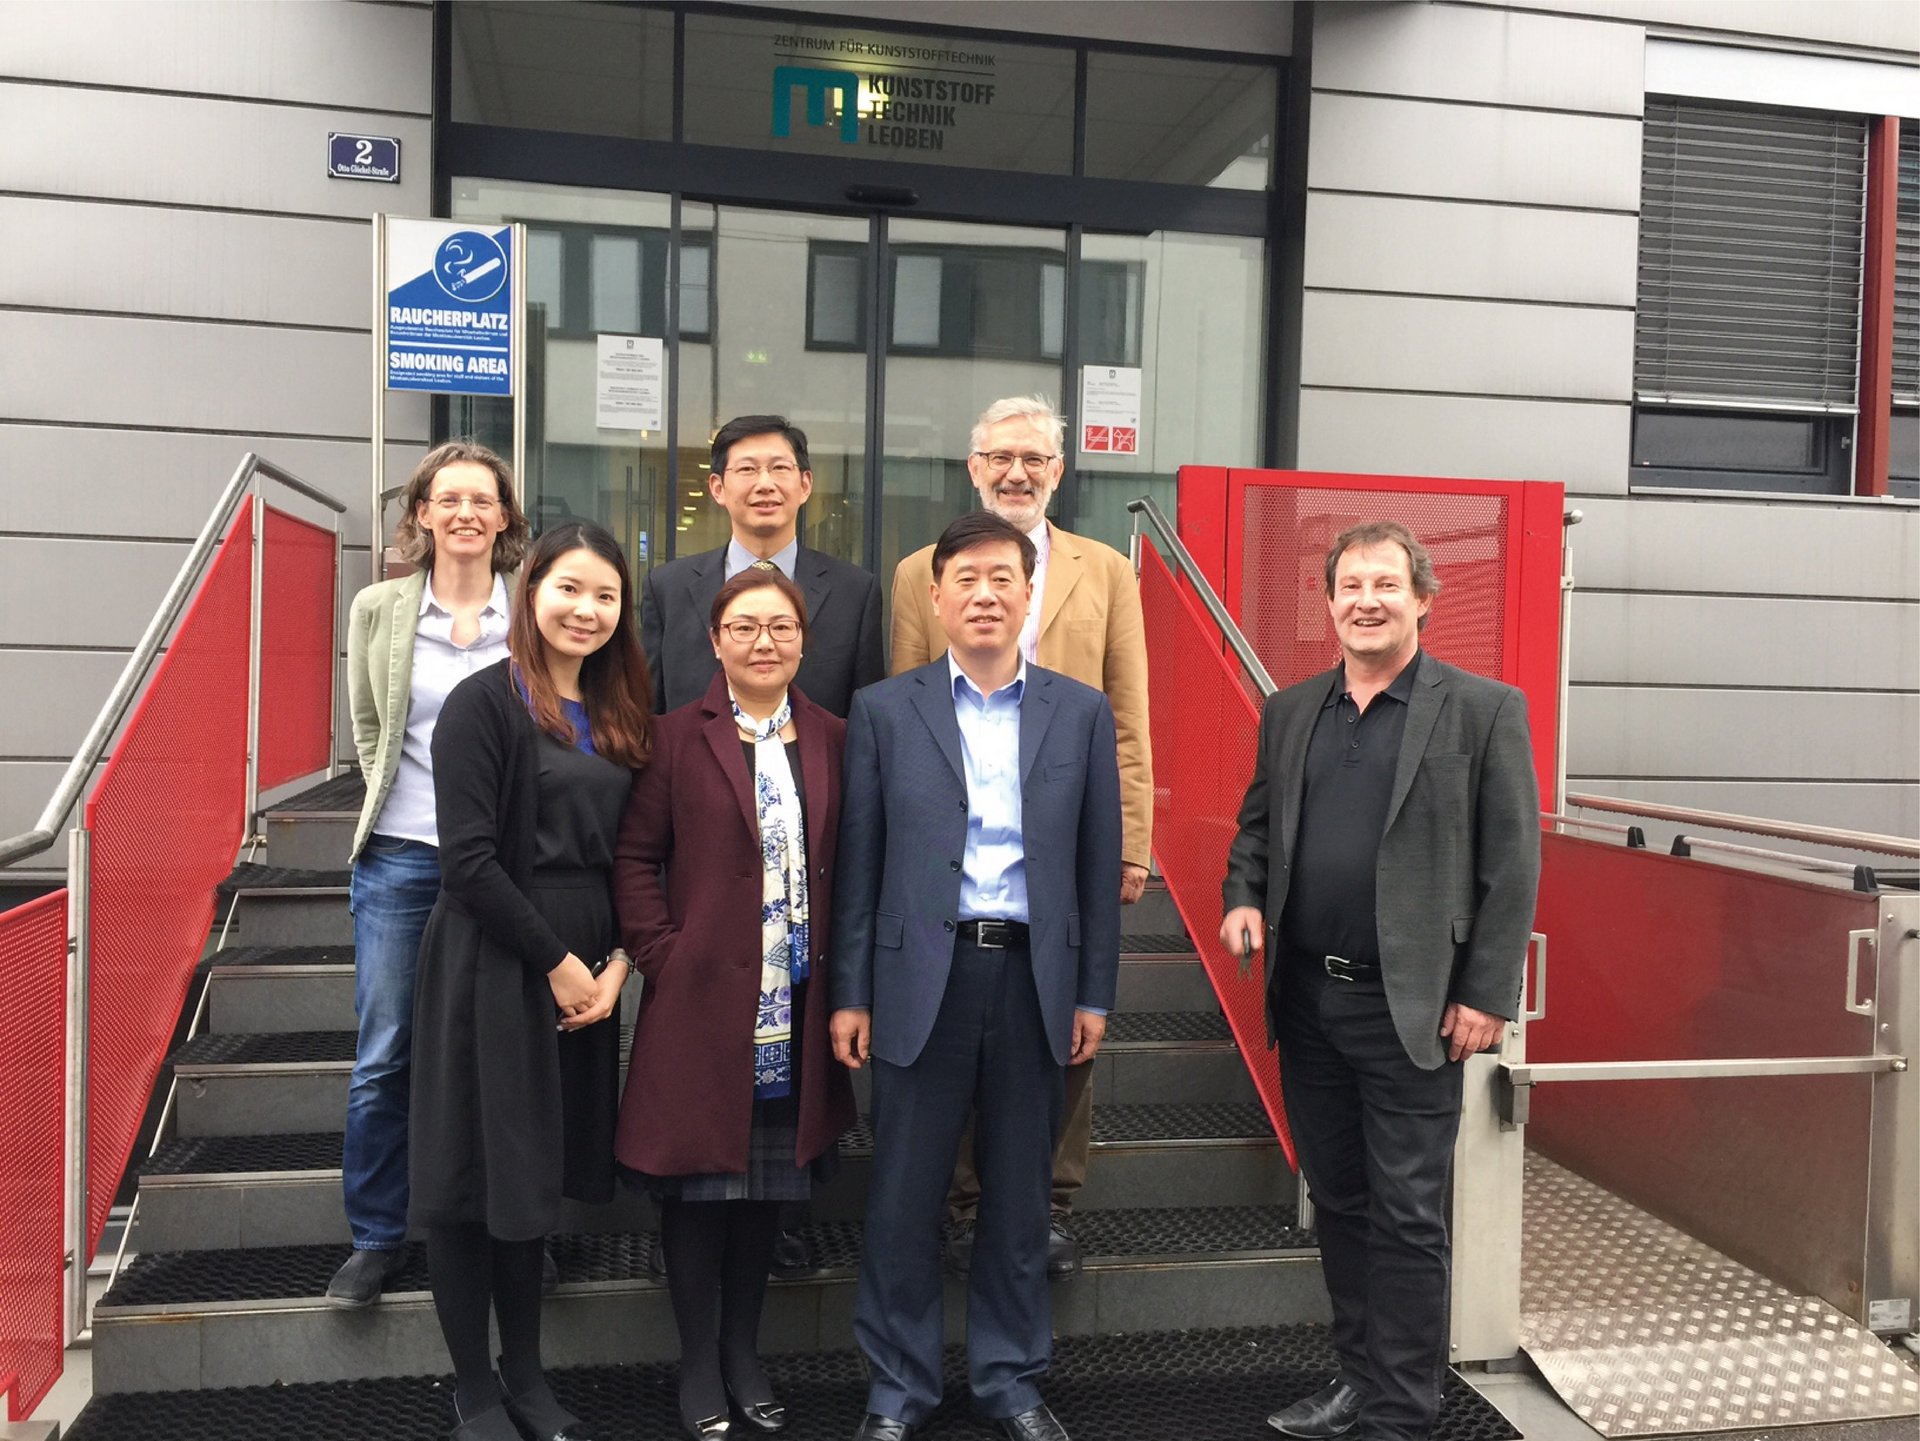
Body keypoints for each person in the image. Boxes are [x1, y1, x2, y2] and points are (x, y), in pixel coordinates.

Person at [1218, 521, 1541, 1441]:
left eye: (1386, 585)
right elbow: (1256, 828)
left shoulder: (1482, 709)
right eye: (1350, 586)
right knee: (1344, 1202)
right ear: (1328, 605)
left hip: (1417, 1010)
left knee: (1407, 1214)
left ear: (1423, 598)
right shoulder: (1290, 710)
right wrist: (1243, 895)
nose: (1367, 600)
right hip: (1309, 1004)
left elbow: (1512, 865)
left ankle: (1403, 1411)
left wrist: (1485, 992)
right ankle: (1358, 1381)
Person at [832, 511, 1122, 1441]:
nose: (986, 593)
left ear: (1029, 593)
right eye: (968, 578)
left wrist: (1094, 992)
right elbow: (860, 862)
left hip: (1035, 979)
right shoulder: (886, 708)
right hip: (923, 977)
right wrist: (851, 990)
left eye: (1004, 577)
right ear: (937, 594)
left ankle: (1010, 1379)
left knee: (1019, 1197)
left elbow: (1095, 864)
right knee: (905, 1194)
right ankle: (898, 1385)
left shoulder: (1078, 710)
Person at [890, 394, 1151, 1279]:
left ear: (1058, 470)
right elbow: (902, 710)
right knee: (947, 1019)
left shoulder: (1108, 570)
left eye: (1034, 458)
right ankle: (966, 1203)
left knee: (1063, 1018)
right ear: (974, 467)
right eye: (1000, 456)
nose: (1017, 471)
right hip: (954, 849)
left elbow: (1126, 714)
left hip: (1069, 833)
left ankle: (1047, 1202)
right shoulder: (918, 571)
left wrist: (1132, 838)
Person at [409, 520, 654, 1441]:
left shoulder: (624, 708)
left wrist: (620, 964)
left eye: (605, 596)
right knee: (475, 1177)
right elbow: (467, 861)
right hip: (496, 957)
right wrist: (559, 966)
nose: (586, 610)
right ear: (531, 589)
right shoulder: (484, 703)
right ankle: (476, 1387)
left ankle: (529, 1376)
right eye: (569, 589)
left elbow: (640, 851)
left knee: (532, 1183)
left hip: (591, 962)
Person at [613, 568, 857, 1440]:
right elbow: (636, 858)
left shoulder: (833, 735)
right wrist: (663, 956)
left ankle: (745, 1351)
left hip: (796, 1004)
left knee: (766, 1191)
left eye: (781, 627)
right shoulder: (675, 737)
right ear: (716, 641)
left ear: (803, 640)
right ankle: (697, 1362)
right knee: (699, 1189)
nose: (764, 641)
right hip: (702, 1003)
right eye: (745, 626)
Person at [328, 440, 528, 1308]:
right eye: (448, 499)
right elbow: (372, 732)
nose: (465, 514)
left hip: (510, 865)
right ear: (421, 514)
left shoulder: (531, 613)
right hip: (404, 861)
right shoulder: (379, 607)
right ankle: (377, 1234)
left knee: (506, 1050)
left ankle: (512, 1227)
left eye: (482, 500)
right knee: (386, 1054)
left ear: (506, 519)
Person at [641, 413, 884, 718]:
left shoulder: (855, 592)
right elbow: (653, 711)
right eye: (747, 469)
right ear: (717, 488)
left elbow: (866, 720)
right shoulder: (667, 588)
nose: (765, 484)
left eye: (780, 468)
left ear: (805, 484)